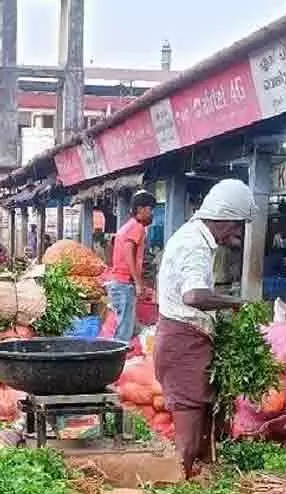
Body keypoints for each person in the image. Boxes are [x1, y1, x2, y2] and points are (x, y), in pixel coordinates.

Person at [155, 178, 256, 478]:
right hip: (182, 342)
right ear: (225, 219)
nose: (236, 234)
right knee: (187, 424)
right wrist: (235, 303)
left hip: (188, 339)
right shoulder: (194, 244)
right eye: (237, 226)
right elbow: (194, 296)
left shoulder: (196, 239)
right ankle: (179, 481)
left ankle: (193, 476)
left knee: (198, 418)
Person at [105, 190, 156, 342]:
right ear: (140, 210)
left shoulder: (127, 226)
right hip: (124, 283)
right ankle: (118, 363)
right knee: (124, 333)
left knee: (127, 327)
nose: (151, 214)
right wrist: (138, 283)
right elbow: (128, 253)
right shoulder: (137, 227)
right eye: (150, 210)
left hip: (118, 282)